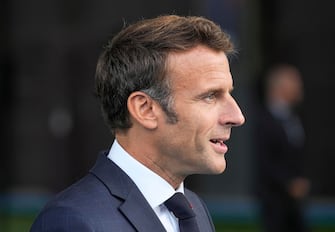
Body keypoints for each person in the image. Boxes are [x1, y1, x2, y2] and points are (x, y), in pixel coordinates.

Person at [30, 15, 245, 232]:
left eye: (228, 94)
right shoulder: (72, 221)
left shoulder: (194, 209)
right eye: (210, 96)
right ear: (145, 109)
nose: (237, 116)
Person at [255, 64, 310, 232]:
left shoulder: (293, 117)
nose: (299, 87)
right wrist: (288, 183)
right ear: (281, 87)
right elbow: (264, 160)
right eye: (295, 83)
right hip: (274, 201)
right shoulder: (264, 121)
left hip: (295, 202)